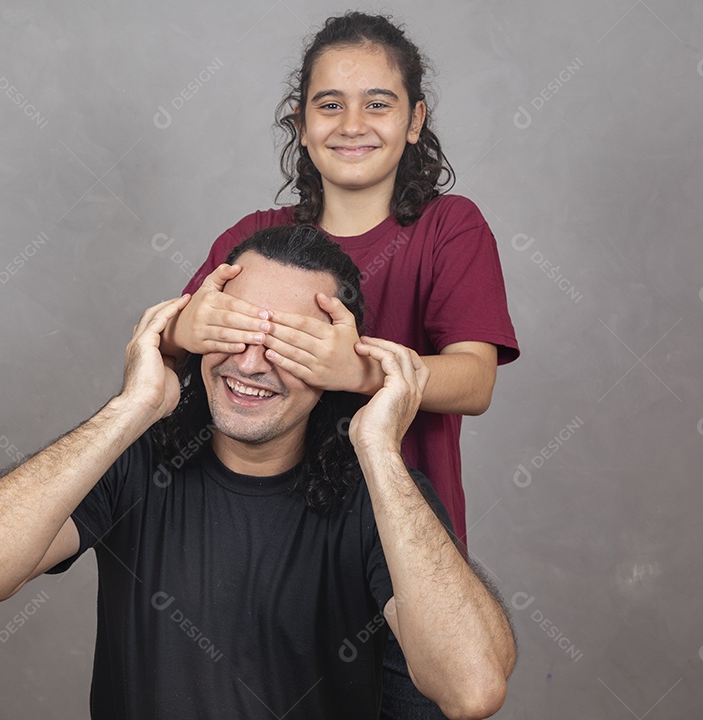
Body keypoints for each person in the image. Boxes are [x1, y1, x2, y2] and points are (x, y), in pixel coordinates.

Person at [0, 226, 516, 719]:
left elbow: (473, 689)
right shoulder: (135, 463)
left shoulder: (378, 499)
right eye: (234, 330)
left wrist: (382, 451)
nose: (251, 362)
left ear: (336, 363)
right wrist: (131, 408)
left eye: (288, 344)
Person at [160, 12, 520, 717]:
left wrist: (355, 370)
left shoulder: (452, 228)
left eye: (377, 103)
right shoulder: (253, 238)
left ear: (415, 120)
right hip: (268, 561)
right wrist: (185, 327)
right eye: (330, 103)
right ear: (299, 122)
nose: (352, 122)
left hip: (401, 559)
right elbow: (171, 348)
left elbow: (473, 380)